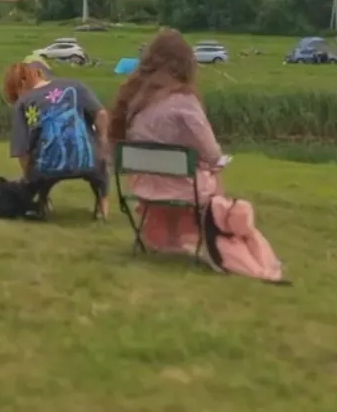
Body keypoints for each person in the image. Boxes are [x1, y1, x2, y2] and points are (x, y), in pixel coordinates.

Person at [108, 30, 285, 282]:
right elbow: (213, 154)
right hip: (182, 188)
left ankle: (171, 236)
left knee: (194, 171)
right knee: (213, 171)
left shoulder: (135, 100)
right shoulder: (183, 101)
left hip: (144, 186)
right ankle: (217, 235)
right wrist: (209, 164)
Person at [3, 60, 111, 219]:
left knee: (37, 168)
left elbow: (21, 150)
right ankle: (102, 206)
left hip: (46, 168)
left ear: (22, 83)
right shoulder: (75, 85)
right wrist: (102, 142)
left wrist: (28, 177)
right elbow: (101, 114)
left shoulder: (23, 103)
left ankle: (41, 201)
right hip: (88, 162)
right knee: (100, 169)